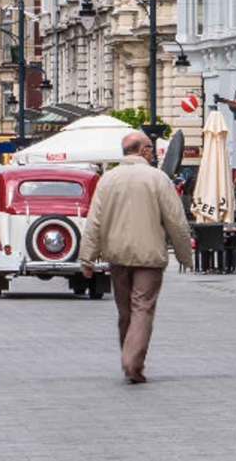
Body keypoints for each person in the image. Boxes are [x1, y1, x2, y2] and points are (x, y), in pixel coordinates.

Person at [77, 132, 194, 384]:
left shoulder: (107, 180)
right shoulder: (158, 179)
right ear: (143, 151)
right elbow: (176, 221)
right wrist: (185, 255)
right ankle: (133, 362)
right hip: (149, 256)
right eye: (151, 148)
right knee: (142, 307)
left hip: (117, 256)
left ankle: (128, 356)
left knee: (125, 311)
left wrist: (87, 259)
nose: (152, 153)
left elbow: (94, 222)